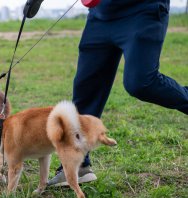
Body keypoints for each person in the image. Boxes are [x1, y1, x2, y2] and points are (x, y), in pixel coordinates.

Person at [24, 0, 188, 187]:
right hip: (100, 14)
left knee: (141, 83)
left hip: (142, 11)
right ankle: (77, 167)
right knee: (86, 90)